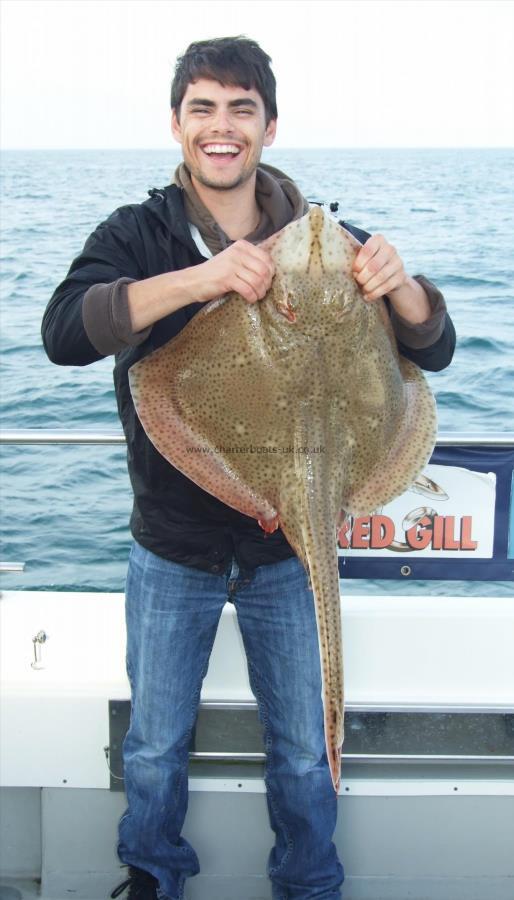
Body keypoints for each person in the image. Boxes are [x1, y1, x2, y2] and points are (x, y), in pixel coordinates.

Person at [42, 36, 456, 900]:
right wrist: (201, 281)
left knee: (305, 745)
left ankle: (309, 883)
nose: (221, 127)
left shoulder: (329, 237)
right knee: (154, 742)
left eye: (241, 109)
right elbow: (65, 333)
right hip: (174, 543)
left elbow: (435, 348)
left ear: (269, 126)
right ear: (177, 124)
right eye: (204, 108)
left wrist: (401, 284)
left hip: (288, 556)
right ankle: (152, 876)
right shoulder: (140, 231)